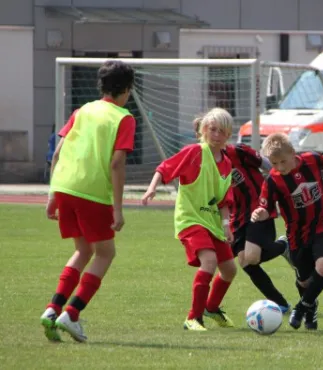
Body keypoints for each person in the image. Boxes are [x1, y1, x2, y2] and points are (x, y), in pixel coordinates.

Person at [40, 60, 136, 342]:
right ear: (127, 90)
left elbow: (57, 153)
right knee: (106, 253)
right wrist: (118, 209)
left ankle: (51, 309)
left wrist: (52, 194)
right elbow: (117, 163)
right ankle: (71, 313)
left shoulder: (82, 110)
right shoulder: (123, 117)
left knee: (84, 250)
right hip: (92, 192)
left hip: (65, 186)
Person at [142, 108, 237, 332]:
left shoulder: (226, 164)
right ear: (204, 130)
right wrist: (152, 187)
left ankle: (211, 308)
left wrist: (226, 226)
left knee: (230, 270)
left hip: (213, 223)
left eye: (221, 131)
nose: (216, 134)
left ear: (227, 136)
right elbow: (165, 168)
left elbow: (223, 201)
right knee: (210, 262)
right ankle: (193, 318)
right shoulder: (195, 152)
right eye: (212, 129)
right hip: (191, 220)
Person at [251, 133, 323, 330]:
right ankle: (310, 307)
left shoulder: (311, 160)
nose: (280, 167)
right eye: (274, 163)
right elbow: (265, 207)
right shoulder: (272, 181)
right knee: (304, 281)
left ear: (293, 153)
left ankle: (301, 308)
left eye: (283, 161)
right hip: (297, 234)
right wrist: (260, 213)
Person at [221, 139, 293, 313]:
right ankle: (281, 304)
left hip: (258, 208)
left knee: (252, 258)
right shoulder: (206, 163)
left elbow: (270, 166)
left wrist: (283, 187)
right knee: (246, 263)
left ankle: (283, 245)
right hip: (235, 218)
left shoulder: (238, 151)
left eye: (219, 130)